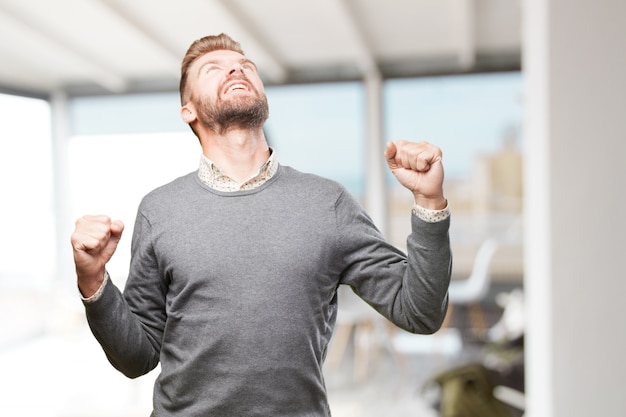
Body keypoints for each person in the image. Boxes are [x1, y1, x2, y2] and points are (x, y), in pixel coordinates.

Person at [71, 33, 452, 417]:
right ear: (189, 110)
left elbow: (419, 312)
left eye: (245, 66)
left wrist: (429, 203)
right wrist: (93, 282)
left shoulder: (327, 202)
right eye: (213, 68)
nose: (236, 68)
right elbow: (137, 358)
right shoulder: (159, 209)